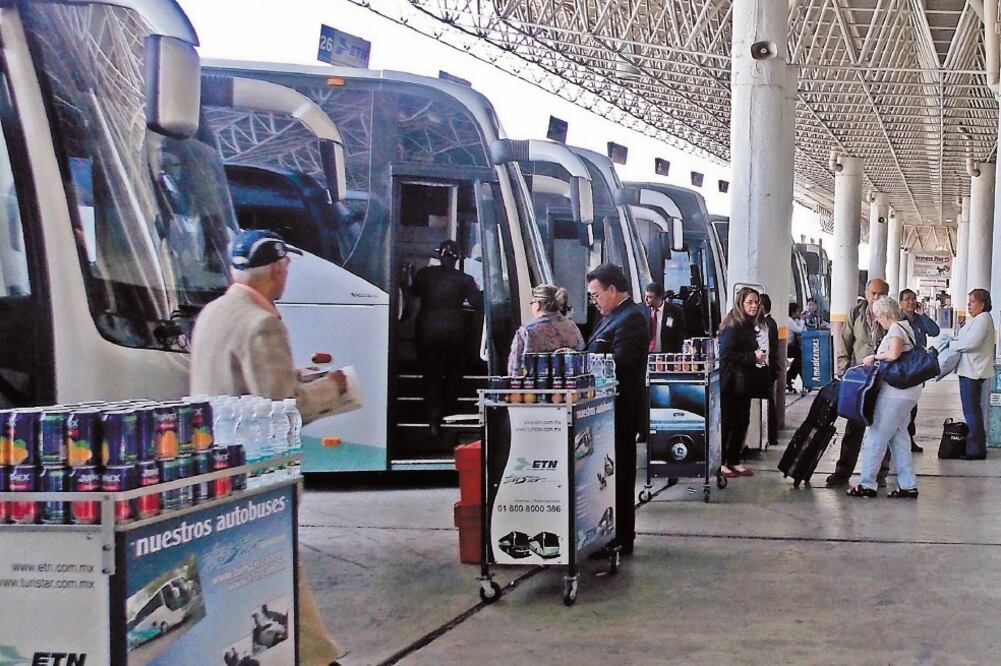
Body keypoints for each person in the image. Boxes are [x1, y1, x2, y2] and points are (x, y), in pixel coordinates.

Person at [189, 229, 346, 666]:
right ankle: (316, 658)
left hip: (214, 464)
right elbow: (283, 408)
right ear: (277, 270)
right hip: (258, 472)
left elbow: (235, 379)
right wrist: (333, 388)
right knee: (276, 563)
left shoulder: (213, 313)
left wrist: (296, 376)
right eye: (286, 267)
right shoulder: (262, 323)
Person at [586, 263, 648, 556]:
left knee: (620, 474)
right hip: (605, 412)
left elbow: (621, 364)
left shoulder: (631, 318)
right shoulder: (611, 317)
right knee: (608, 475)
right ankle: (609, 533)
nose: (594, 301)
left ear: (612, 289)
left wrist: (588, 367)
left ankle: (621, 537)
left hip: (620, 410)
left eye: (596, 295)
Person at [847, 297, 921, 498]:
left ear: (885, 315)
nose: (878, 320)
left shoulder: (896, 329)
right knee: (899, 439)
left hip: (895, 394)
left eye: (878, 316)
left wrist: (874, 357)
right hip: (908, 393)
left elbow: (894, 354)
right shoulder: (906, 327)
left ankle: (867, 484)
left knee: (875, 437)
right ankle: (908, 485)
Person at [411, 240, 482, 438]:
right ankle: (449, 408)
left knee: (431, 374)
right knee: (454, 371)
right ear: (457, 258)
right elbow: (477, 303)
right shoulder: (465, 279)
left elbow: (413, 292)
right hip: (455, 329)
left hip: (427, 329)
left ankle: (433, 418)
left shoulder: (424, 275)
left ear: (439, 256)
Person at [827, 278, 891, 487]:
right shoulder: (855, 314)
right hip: (859, 380)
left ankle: (880, 473)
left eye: (881, 294)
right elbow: (844, 343)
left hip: (883, 379)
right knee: (854, 428)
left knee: (882, 427)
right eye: (873, 293)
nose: (876, 298)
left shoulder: (891, 314)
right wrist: (843, 371)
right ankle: (842, 472)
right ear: (866, 293)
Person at [719, 287, 770, 478]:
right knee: (728, 423)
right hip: (731, 383)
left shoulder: (749, 325)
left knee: (742, 422)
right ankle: (721, 462)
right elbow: (726, 354)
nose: (754, 306)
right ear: (741, 303)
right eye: (749, 302)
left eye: (756, 302)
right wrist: (751, 357)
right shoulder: (733, 325)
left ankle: (734, 459)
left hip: (744, 383)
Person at [952, 289, 996, 460]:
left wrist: (953, 345)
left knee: (972, 411)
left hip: (973, 371)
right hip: (970, 370)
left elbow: (972, 343)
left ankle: (976, 449)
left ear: (982, 304)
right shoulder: (978, 319)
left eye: (972, 302)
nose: (969, 305)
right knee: (972, 409)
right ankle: (975, 446)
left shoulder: (983, 320)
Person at [507, 284, 584, 375]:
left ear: (538, 304)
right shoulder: (572, 327)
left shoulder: (527, 331)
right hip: (570, 382)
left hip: (538, 383)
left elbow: (515, 368)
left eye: (532, 303)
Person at [899, 288, 940, 453]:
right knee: (901, 403)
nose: (910, 302)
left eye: (913, 299)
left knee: (913, 404)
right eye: (907, 299)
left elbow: (935, 331)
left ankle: (909, 438)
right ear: (900, 303)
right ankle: (898, 439)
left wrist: (923, 315)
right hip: (902, 367)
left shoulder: (920, 320)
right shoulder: (897, 320)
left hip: (918, 368)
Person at [759, 294, 780, 448]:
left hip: (768, 368)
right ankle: (771, 435)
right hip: (770, 367)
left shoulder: (768, 325)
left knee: (769, 402)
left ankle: (772, 435)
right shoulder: (770, 322)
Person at [644, 282, 687, 354]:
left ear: (659, 297)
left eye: (650, 297)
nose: (646, 299)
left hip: (666, 354)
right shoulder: (641, 310)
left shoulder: (675, 311)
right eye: (645, 296)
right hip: (646, 355)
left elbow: (680, 336)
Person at [787, 302, 805, 392]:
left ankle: (789, 377)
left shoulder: (794, 320)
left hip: (792, 346)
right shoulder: (789, 320)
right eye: (797, 312)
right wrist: (802, 320)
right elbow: (799, 330)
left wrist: (799, 321)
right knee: (799, 359)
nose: (799, 314)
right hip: (787, 346)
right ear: (793, 312)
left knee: (799, 360)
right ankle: (789, 377)